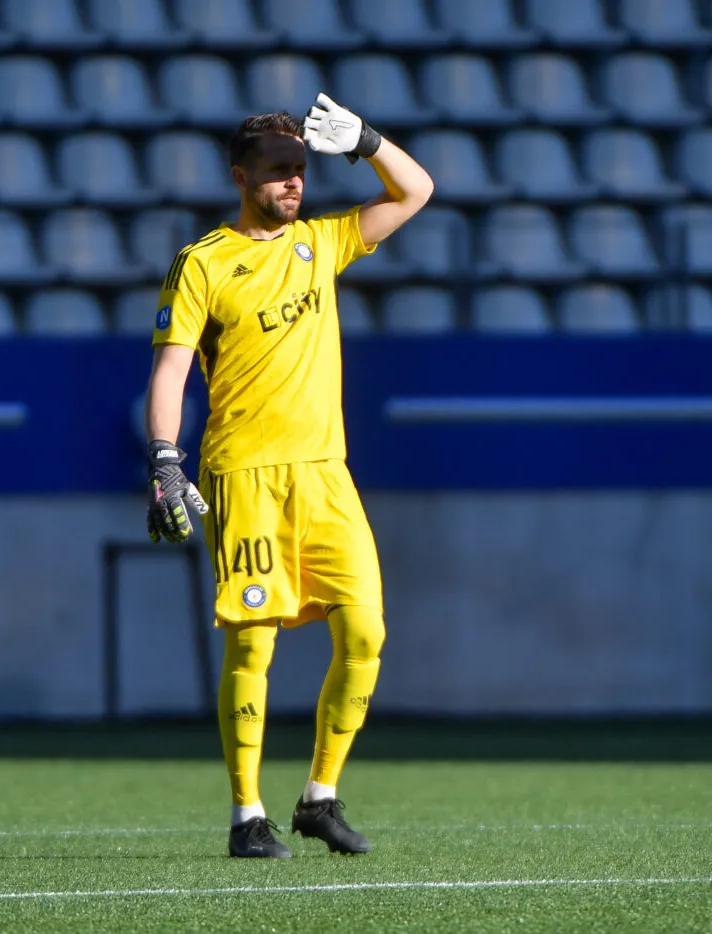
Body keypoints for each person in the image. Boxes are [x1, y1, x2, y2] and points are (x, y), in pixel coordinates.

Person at [142, 93, 434, 858]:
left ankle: (319, 797)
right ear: (241, 178)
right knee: (253, 646)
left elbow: (416, 190)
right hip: (244, 473)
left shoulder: (322, 243)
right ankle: (247, 815)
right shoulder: (203, 263)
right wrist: (165, 458)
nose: (294, 182)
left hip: (327, 475)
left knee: (365, 630)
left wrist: (367, 141)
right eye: (277, 171)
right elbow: (171, 370)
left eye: (300, 169)